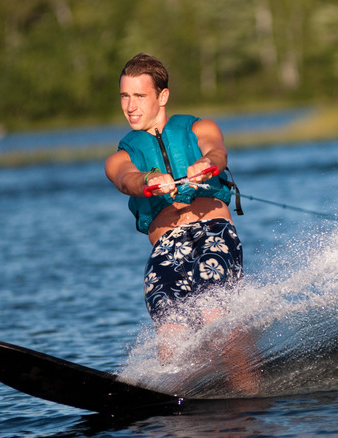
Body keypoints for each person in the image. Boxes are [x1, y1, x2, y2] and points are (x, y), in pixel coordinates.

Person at [104, 53, 246, 371]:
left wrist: (206, 165)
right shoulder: (120, 156)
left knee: (214, 314)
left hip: (212, 235)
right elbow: (126, 179)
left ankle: (248, 393)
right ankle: (180, 402)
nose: (130, 106)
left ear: (162, 96)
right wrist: (149, 180)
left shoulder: (199, 127)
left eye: (139, 96)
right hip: (166, 251)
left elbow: (217, 151)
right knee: (170, 334)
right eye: (125, 96)